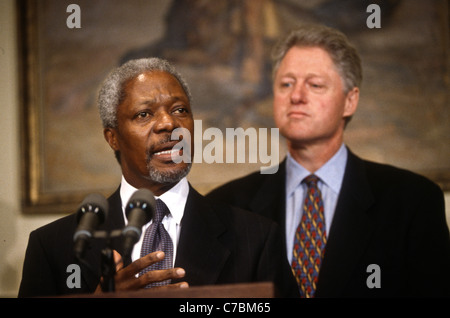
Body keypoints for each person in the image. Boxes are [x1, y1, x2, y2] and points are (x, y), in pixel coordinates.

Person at [18, 58, 299, 298]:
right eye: (144, 114)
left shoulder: (257, 237)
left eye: (180, 110)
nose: (168, 124)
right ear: (112, 137)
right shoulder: (54, 247)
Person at [207, 24, 450, 297]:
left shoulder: (413, 201)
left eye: (315, 85)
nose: (296, 96)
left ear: (350, 101)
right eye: (286, 84)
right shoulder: (226, 206)